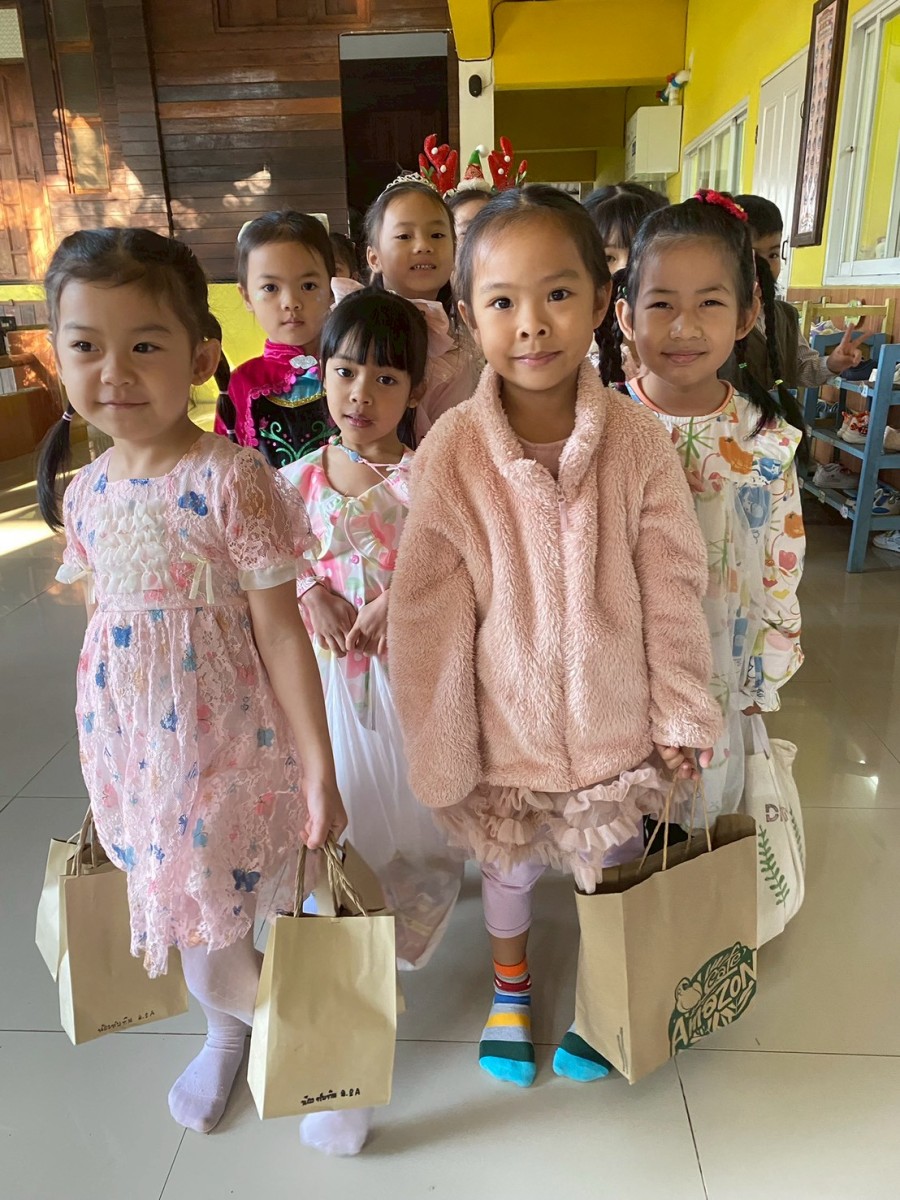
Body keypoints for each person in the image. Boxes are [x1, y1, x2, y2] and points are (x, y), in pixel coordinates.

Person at [388, 185, 722, 1089]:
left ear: (604, 300)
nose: (532, 324)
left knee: (609, 864)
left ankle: (604, 1000)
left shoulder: (637, 440)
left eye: (559, 294)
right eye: (502, 301)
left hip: (615, 723)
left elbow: (672, 583)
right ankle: (510, 989)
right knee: (507, 872)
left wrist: (679, 711)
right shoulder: (454, 449)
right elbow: (426, 610)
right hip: (508, 725)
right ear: (469, 316)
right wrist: (441, 739)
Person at [36, 227, 346, 1139]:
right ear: (58, 356)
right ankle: (228, 1037)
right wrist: (111, 759)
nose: (115, 372)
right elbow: (105, 632)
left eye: (145, 344)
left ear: (201, 356)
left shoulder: (230, 479)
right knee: (197, 920)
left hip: (228, 750)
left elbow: (282, 632)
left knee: (214, 933)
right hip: (138, 759)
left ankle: (325, 1056)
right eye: (86, 346)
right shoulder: (85, 492)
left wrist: (318, 765)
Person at [609, 188, 806, 819]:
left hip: (722, 662)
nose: (684, 327)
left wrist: (764, 672)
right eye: (661, 303)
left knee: (700, 820)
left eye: (710, 303)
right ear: (625, 316)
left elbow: (781, 563)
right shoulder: (602, 424)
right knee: (620, 818)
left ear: (747, 314)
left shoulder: (764, 438)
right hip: (618, 666)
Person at [216, 210, 335, 466]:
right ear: (247, 296)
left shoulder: (354, 369)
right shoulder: (240, 384)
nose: (291, 302)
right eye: (270, 288)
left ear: (331, 288)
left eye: (308, 286)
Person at [363, 179, 480, 437]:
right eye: (404, 236)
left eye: (437, 235)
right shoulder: (355, 330)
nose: (423, 246)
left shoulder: (461, 344)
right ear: (374, 258)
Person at [726, 193, 864, 388]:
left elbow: (802, 369)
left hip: (780, 408)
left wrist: (832, 364)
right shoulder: (715, 315)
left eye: (773, 255)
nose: (764, 266)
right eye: (751, 256)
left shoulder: (786, 316)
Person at [583, 182, 669, 379]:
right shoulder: (572, 352)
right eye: (608, 258)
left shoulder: (688, 343)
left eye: (639, 256)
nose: (624, 270)